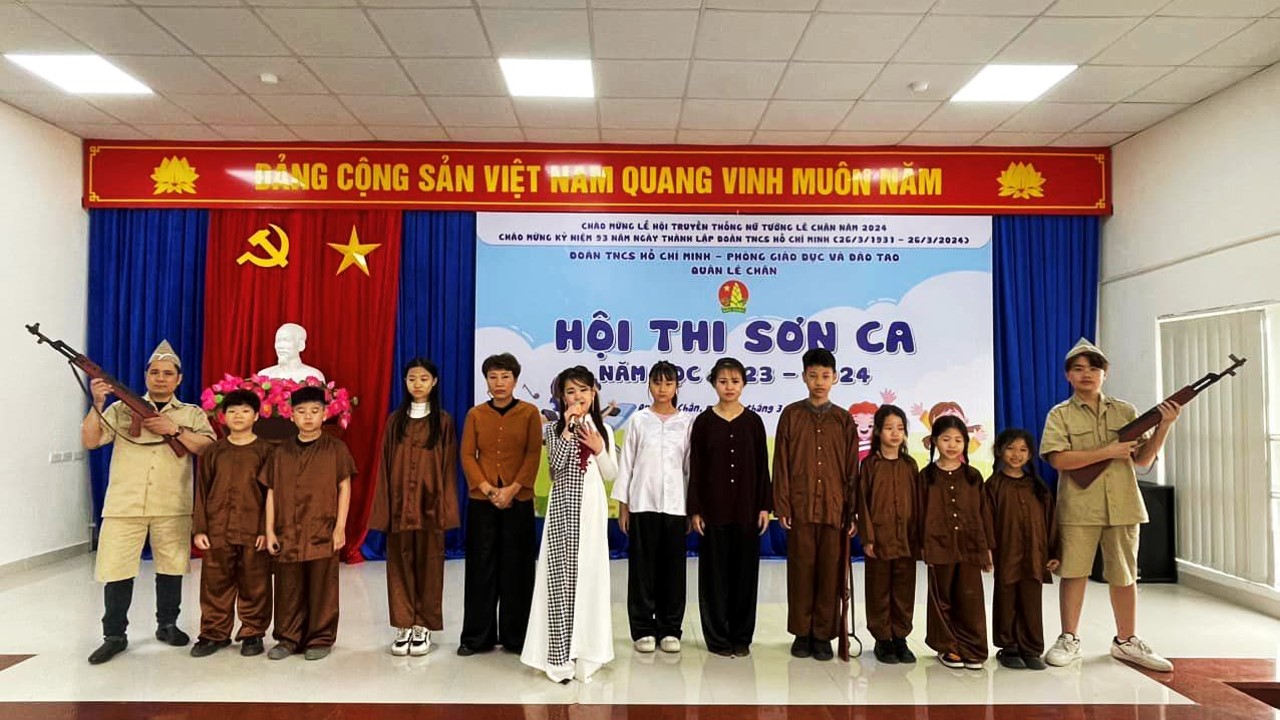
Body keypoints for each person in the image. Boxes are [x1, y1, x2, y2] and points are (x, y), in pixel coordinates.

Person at [1041, 338, 1181, 672]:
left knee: (1124, 575)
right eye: (1078, 369)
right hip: (1079, 505)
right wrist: (1106, 452)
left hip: (1123, 504)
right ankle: (1069, 638)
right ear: (1068, 376)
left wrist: (1164, 426)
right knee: (1073, 572)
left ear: (1105, 373)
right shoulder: (1060, 415)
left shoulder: (1125, 411)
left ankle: (1126, 641)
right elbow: (1059, 460)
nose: (1086, 374)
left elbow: (1142, 460)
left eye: (1094, 368)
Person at [81, 340, 216, 665]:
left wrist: (175, 429)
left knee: (171, 568)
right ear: (145, 376)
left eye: (168, 373)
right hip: (124, 504)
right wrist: (97, 402)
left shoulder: (192, 413)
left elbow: (210, 449)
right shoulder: (120, 408)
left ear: (178, 379)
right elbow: (91, 440)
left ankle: (167, 625)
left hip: (172, 503)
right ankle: (114, 636)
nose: (160, 378)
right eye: (154, 372)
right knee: (117, 571)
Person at [523, 366, 617, 683]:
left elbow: (611, 473)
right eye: (571, 392)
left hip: (591, 508)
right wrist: (566, 429)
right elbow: (556, 466)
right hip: (563, 508)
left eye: (583, 390)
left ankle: (588, 652)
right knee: (559, 578)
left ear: (594, 393)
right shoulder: (553, 429)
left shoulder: (603, 430)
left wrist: (599, 448)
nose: (578, 397)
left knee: (590, 575)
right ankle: (558, 655)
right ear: (562, 397)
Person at [370, 358, 460, 657]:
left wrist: (445, 508)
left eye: (423, 378)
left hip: (430, 505)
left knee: (430, 565)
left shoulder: (443, 421)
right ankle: (403, 623)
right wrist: (384, 507)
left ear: (434, 382)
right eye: (412, 379)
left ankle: (423, 624)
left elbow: (448, 468)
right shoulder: (395, 421)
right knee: (399, 564)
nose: (417, 384)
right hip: (399, 505)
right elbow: (384, 466)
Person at [773, 349, 858, 662]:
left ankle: (822, 635)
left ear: (835, 378)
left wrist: (852, 511)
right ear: (804, 377)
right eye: (813, 376)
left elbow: (852, 468)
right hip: (801, 506)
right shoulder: (791, 415)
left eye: (825, 376)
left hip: (835, 509)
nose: (819, 382)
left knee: (829, 573)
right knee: (801, 571)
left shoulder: (844, 419)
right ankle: (801, 632)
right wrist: (783, 505)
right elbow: (781, 463)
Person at [261, 386, 356, 661]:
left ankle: (320, 638)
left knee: (322, 586)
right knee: (288, 586)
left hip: (322, 529)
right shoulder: (281, 452)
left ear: (325, 414)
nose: (308, 417)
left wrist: (340, 527)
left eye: (315, 411)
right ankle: (288, 638)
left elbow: (344, 487)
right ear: (291, 415)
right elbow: (271, 491)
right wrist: (269, 530)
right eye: (301, 412)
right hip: (288, 530)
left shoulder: (336, 449)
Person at [458, 353, 543, 656]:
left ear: (515, 380)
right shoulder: (476, 414)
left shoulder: (529, 412)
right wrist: (486, 487)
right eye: (493, 377)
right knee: (480, 569)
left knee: (517, 569)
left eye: (505, 376)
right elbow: (467, 455)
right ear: (486, 381)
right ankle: (476, 637)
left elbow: (533, 453)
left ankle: (516, 637)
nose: (499, 383)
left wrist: (513, 489)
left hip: (518, 500)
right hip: (483, 501)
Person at [688, 357, 772, 658]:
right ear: (713, 384)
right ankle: (717, 637)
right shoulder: (703, 422)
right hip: (713, 512)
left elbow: (762, 466)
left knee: (745, 576)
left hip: (747, 511)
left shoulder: (753, 422)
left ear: (744, 384)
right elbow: (696, 468)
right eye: (723, 381)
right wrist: (696, 509)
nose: (729, 387)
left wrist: (764, 506)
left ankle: (741, 636)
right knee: (714, 577)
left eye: (735, 381)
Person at [612, 361, 693, 655]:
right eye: (657, 383)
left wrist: (691, 508)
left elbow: (689, 468)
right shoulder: (638, 420)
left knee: (673, 571)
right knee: (642, 570)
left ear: (677, 387)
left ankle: (670, 628)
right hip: (642, 503)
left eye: (668, 383)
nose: (662, 389)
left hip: (675, 506)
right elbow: (627, 464)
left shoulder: (687, 422)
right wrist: (623, 507)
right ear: (649, 385)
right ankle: (643, 628)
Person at [191, 389, 274, 658]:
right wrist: (200, 528)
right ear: (222, 416)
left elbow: (272, 495)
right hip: (218, 529)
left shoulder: (267, 452)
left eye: (245, 411)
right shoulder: (213, 452)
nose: (238, 416)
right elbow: (202, 490)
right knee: (215, 583)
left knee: (255, 583)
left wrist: (265, 529)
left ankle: (252, 632)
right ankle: (213, 633)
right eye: (232, 411)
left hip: (253, 530)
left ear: (257, 416)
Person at [920, 415, 993, 670]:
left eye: (958, 440)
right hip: (938, 545)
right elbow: (918, 513)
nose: (952, 445)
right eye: (946, 439)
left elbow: (983, 514)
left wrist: (987, 548)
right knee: (941, 597)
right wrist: (923, 545)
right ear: (934, 442)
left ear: (965, 443)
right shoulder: (926, 477)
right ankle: (947, 646)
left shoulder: (973, 476)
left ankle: (973, 647)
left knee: (970, 598)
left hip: (970, 545)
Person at [987, 428, 1058, 671]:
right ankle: (1008, 647)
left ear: (1030, 455)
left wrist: (1053, 551)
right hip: (1006, 552)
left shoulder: (1037, 487)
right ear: (999, 451)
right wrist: (987, 550)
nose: (1016, 454)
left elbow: (1050, 520)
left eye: (1023, 450)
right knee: (1006, 597)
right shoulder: (993, 485)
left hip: (1035, 554)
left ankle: (1031, 648)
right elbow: (986, 520)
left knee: (1031, 600)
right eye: (1010, 448)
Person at [858, 403, 920, 665]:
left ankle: (900, 637)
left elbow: (917, 502)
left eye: (900, 428)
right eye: (889, 428)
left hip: (906, 539)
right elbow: (862, 503)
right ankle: (883, 638)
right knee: (879, 589)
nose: (895, 433)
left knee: (904, 589)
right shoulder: (870, 465)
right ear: (877, 432)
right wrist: (868, 538)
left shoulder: (910, 465)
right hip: (879, 540)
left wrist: (917, 537)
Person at [257, 323, 325, 382]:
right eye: (278, 340)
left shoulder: (314, 376)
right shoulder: (264, 375)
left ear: (301, 345)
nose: (280, 346)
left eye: (286, 340)